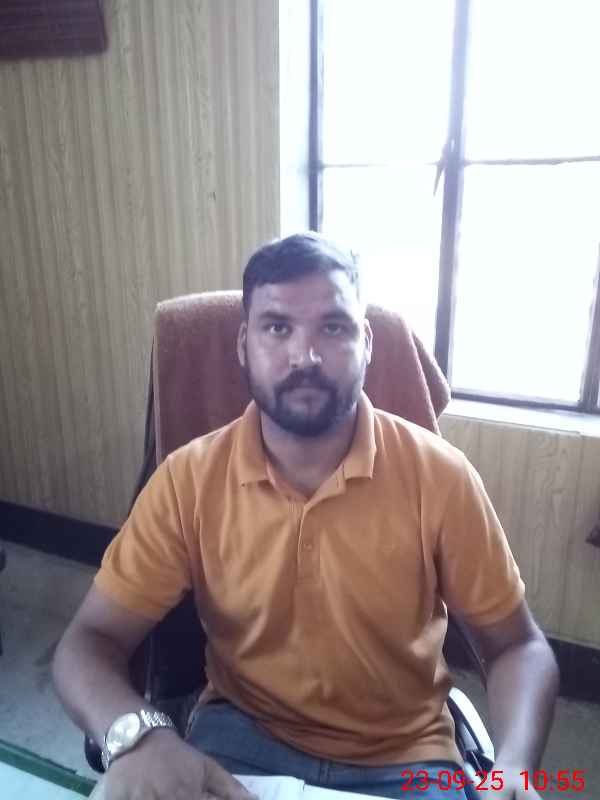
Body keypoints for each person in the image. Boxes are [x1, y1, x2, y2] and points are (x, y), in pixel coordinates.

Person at [53, 232, 559, 800]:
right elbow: (88, 640)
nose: (306, 356)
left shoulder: (441, 477)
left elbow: (518, 646)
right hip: (241, 736)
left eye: (334, 327)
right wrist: (140, 736)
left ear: (367, 343)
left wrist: (512, 767)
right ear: (243, 344)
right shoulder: (187, 480)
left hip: (406, 754)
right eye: (277, 328)